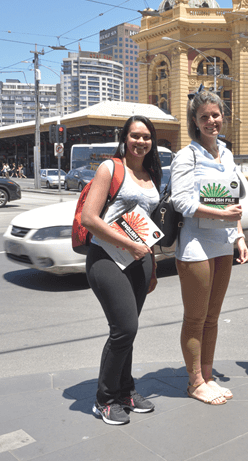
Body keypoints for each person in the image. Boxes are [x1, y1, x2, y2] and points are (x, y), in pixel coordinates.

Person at [81, 115, 162, 425]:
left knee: (128, 331)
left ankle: (125, 391)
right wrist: (130, 246)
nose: (141, 141)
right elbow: (90, 218)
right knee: (124, 329)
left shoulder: (151, 174)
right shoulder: (111, 168)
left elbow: (147, 225)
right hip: (105, 257)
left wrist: (151, 265)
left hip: (139, 259)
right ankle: (104, 399)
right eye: (135, 136)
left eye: (146, 137)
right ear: (125, 138)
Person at [170, 90, 248, 405]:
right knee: (195, 317)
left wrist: (239, 235)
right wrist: (222, 215)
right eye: (204, 117)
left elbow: (232, 201)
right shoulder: (186, 155)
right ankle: (195, 382)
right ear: (195, 121)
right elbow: (181, 201)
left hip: (223, 242)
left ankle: (207, 374)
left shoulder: (227, 154)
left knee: (213, 317)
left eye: (215, 115)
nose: (211, 121)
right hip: (195, 244)